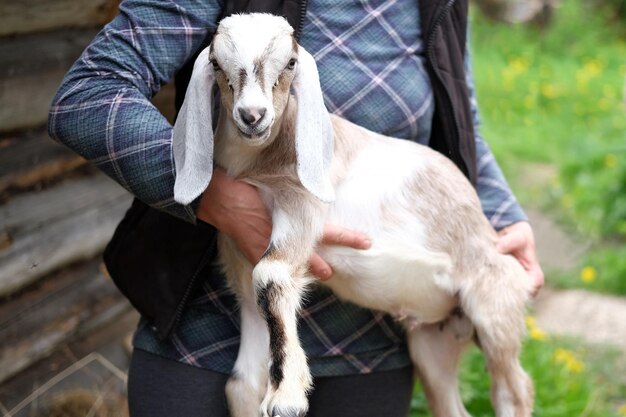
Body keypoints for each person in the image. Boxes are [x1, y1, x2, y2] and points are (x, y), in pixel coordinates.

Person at [49, 0, 544, 416]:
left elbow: (462, 113)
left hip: (371, 342)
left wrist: (504, 214)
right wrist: (214, 197)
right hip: (214, 334)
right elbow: (88, 97)